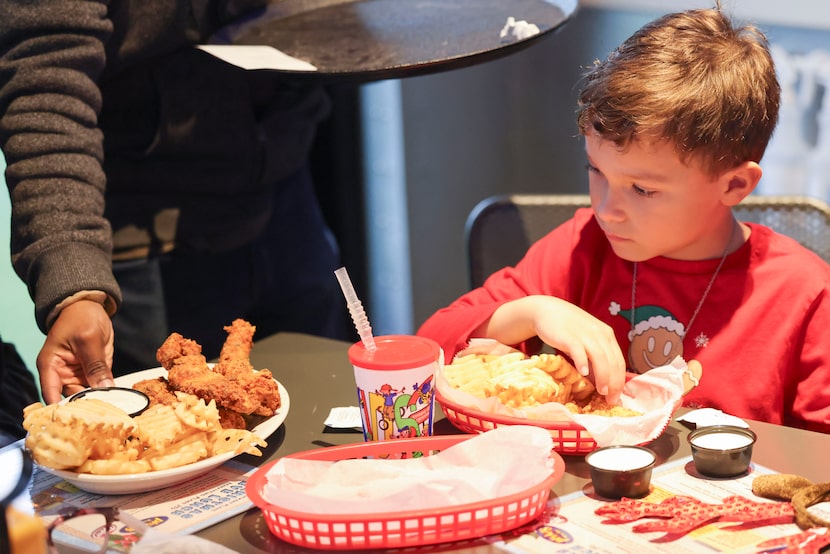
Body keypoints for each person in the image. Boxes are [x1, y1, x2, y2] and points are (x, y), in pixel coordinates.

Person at [418, 7, 830, 433]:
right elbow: (431, 344)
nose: (606, 208)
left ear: (735, 185)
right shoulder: (584, 244)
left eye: (643, 190)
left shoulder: (805, 294)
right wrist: (533, 311)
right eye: (596, 172)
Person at [0, 0, 349, 406]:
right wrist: (75, 284)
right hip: (142, 226)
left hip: (283, 187)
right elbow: (47, 92)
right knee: (174, 444)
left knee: (330, 411)